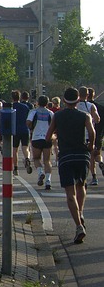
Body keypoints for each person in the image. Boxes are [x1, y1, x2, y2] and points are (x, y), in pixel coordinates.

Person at [46, 87, 95, 244]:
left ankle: (79, 226)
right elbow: (92, 132)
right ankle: (80, 212)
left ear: (64, 100)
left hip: (66, 155)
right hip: (82, 155)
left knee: (70, 194)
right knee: (81, 185)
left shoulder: (58, 116)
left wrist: (56, 136)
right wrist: (91, 145)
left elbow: (48, 136)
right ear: (78, 100)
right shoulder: (84, 115)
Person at [27, 95, 54, 190]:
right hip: (47, 138)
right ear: (47, 103)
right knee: (47, 160)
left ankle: (40, 172)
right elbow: (54, 125)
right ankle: (48, 181)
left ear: (38, 102)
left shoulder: (33, 112)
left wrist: (31, 128)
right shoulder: (50, 113)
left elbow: (28, 122)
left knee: (36, 158)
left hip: (36, 137)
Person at [77, 87, 101, 185]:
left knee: (79, 157)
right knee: (91, 157)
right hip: (90, 134)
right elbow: (97, 119)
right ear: (87, 95)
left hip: (78, 135)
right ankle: (94, 176)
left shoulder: (75, 105)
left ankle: (81, 177)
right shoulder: (91, 106)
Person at [11, 90, 32, 176]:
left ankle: (15, 168)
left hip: (15, 130)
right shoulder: (25, 107)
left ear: (12, 98)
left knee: (15, 150)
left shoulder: (12, 107)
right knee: (25, 147)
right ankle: (27, 158)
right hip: (25, 129)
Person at [87, 88, 103, 184]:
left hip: (89, 133)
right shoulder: (100, 107)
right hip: (99, 133)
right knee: (97, 153)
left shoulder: (86, 107)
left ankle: (94, 177)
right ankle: (101, 163)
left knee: (91, 156)